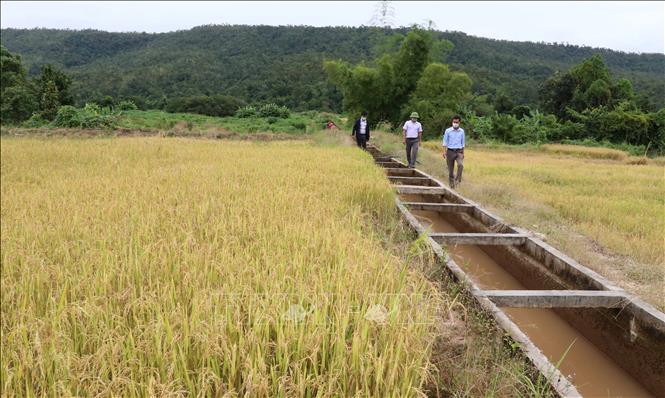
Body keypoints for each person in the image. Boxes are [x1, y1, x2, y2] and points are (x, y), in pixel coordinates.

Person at [442, 115, 465, 188]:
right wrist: (444, 152)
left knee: (460, 165)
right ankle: (452, 186)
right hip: (450, 151)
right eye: (454, 122)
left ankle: (457, 180)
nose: (455, 123)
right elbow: (445, 142)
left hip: (459, 151)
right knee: (450, 171)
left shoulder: (462, 131)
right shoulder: (448, 131)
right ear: (452, 122)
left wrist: (463, 153)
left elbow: (463, 143)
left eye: (456, 122)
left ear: (459, 122)